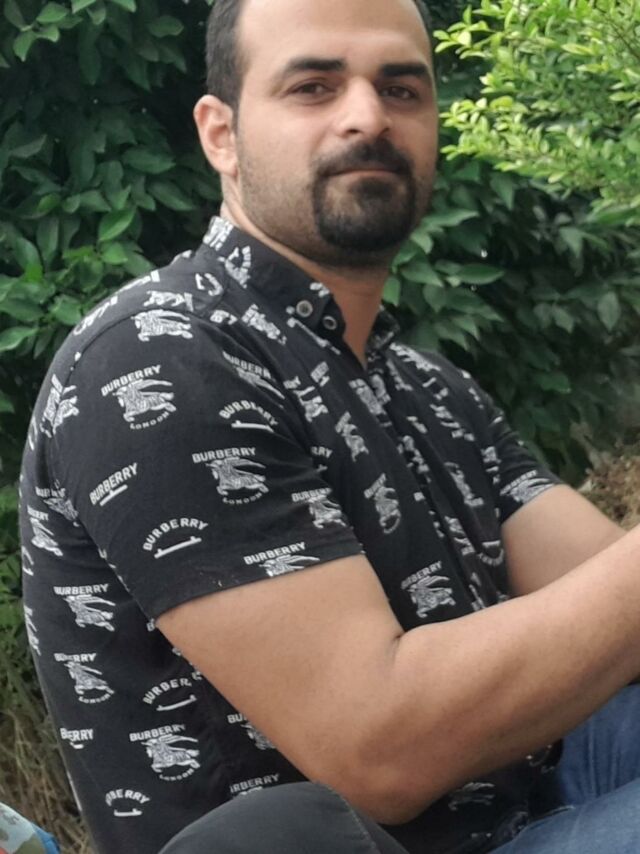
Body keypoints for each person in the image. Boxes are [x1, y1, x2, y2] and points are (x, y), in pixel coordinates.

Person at [19, 0, 640, 852]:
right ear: (221, 134)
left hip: (539, 795)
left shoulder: (425, 384)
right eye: (313, 86)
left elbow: (607, 590)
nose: (368, 117)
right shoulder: (155, 359)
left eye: (402, 89)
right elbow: (379, 748)